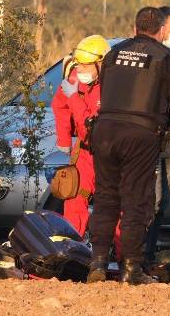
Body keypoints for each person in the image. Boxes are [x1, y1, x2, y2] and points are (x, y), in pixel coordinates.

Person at [86, 7, 170, 285]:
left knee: (106, 198)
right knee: (136, 201)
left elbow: (104, 91)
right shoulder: (165, 58)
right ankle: (131, 268)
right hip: (141, 133)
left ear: (134, 28)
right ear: (159, 30)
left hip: (105, 130)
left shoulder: (113, 53)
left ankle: (97, 261)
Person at [51, 34, 110, 236]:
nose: (80, 70)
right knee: (74, 197)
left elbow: (91, 128)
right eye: (79, 65)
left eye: (85, 66)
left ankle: (120, 258)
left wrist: (74, 97)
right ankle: (72, 251)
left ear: (101, 63)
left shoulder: (113, 88)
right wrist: (64, 139)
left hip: (108, 155)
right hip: (84, 154)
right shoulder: (76, 80)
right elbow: (59, 105)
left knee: (114, 207)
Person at [144, 5, 170, 265]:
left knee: (163, 200)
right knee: (152, 199)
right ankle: (142, 251)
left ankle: (150, 248)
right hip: (151, 139)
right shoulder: (149, 57)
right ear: (161, 27)